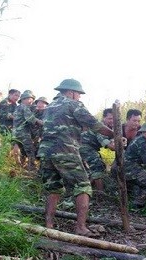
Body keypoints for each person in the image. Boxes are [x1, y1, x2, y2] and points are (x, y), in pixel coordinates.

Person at [38, 78, 114, 237]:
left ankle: (49, 224)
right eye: (78, 94)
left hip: (45, 151)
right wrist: (115, 134)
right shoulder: (73, 104)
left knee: (54, 187)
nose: (79, 97)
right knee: (83, 185)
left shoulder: (49, 107)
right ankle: (80, 227)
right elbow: (95, 124)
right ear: (71, 92)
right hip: (65, 149)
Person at [79, 108, 117, 196]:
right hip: (83, 146)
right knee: (97, 166)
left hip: (89, 147)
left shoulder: (112, 128)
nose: (112, 121)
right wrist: (121, 148)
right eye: (110, 118)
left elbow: (112, 142)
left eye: (114, 119)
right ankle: (101, 195)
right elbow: (109, 146)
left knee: (98, 168)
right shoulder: (101, 127)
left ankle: (87, 190)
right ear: (104, 118)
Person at [12, 91, 43, 171]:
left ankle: (19, 164)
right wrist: (41, 122)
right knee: (30, 150)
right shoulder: (24, 107)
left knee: (18, 147)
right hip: (23, 132)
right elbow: (30, 119)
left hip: (15, 132)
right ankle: (31, 167)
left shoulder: (18, 107)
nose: (31, 101)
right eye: (30, 99)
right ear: (24, 99)